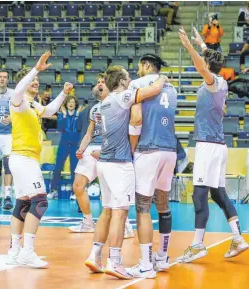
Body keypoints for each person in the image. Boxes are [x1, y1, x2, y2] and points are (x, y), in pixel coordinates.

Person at [84, 65, 168, 279]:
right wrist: (162, 78)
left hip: (103, 163)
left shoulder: (103, 103)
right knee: (120, 213)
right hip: (119, 164)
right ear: (121, 81)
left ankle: (95, 255)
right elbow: (154, 90)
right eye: (128, 77)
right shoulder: (123, 97)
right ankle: (115, 261)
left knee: (107, 210)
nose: (131, 79)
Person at [177, 27, 248, 262]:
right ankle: (238, 238)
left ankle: (197, 244)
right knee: (218, 195)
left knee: (199, 196)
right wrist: (202, 46)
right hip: (218, 146)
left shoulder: (213, 82)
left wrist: (189, 47)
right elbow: (211, 61)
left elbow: (202, 67)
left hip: (208, 146)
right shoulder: (221, 81)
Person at [6, 52, 73, 268]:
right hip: (23, 158)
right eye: (32, 80)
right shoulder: (18, 101)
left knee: (24, 202)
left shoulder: (33, 106)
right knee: (40, 201)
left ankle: (15, 250)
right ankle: (27, 251)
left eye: (37, 80)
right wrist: (35, 68)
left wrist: (63, 94)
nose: (36, 82)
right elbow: (17, 90)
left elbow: (51, 110)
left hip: (24, 158)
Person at [125, 54, 178, 278]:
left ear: (146, 65)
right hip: (170, 150)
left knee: (143, 207)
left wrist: (132, 148)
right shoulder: (172, 88)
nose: (137, 70)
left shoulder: (137, 84)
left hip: (148, 149)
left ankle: (146, 264)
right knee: (163, 204)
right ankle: (163, 257)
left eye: (139, 66)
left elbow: (136, 119)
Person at [68, 75, 105, 233]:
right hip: (91, 148)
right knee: (78, 186)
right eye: (98, 82)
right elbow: (89, 133)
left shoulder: (119, 105)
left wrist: (105, 150)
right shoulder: (95, 108)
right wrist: (81, 148)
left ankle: (124, 226)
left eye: (102, 82)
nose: (99, 85)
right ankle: (88, 222)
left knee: (111, 191)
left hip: (109, 149)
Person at [47, 96, 82, 200]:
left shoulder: (79, 115)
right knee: (58, 166)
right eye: (69, 102)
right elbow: (60, 128)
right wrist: (65, 115)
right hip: (64, 142)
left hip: (75, 143)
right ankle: (53, 191)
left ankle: (74, 192)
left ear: (75, 104)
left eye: (73, 102)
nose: (71, 104)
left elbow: (80, 128)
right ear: (66, 104)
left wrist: (76, 116)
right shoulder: (62, 115)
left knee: (74, 168)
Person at [0, 70, 15, 210]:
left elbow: (21, 109)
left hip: (9, 135)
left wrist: (12, 117)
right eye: (0, 77)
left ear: (8, 80)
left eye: (5, 77)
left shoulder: (13, 94)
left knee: (8, 166)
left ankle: (7, 197)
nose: (2, 79)